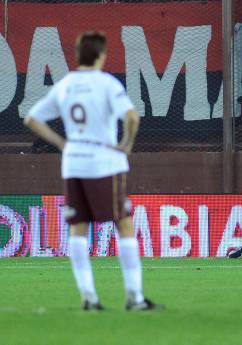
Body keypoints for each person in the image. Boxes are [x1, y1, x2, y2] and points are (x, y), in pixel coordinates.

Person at [23, 31, 161, 311]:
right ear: (101, 55)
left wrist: (62, 143)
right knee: (123, 223)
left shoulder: (66, 84)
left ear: (77, 54)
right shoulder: (107, 83)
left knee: (78, 227)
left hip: (74, 161)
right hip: (104, 161)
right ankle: (134, 298)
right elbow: (132, 116)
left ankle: (89, 296)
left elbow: (32, 118)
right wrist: (127, 143)